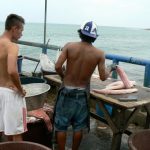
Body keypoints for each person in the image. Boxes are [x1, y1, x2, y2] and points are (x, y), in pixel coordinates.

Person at [54, 21, 115, 150]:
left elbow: (58, 66)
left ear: (80, 33)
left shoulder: (69, 46)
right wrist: (111, 68)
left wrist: (63, 77)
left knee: (61, 126)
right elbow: (103, 77)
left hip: (66, 91)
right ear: (94, 36)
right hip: (82, 94)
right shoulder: (99, 54)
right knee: (78, 127)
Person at [0, 14, 27, 141]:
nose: (21, 34)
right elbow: (12, 70)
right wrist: (20, 89)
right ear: (14, 28)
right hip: (10, 94)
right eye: (21, 30)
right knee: (16, 132)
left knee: (1, 129)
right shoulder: (12, 46)